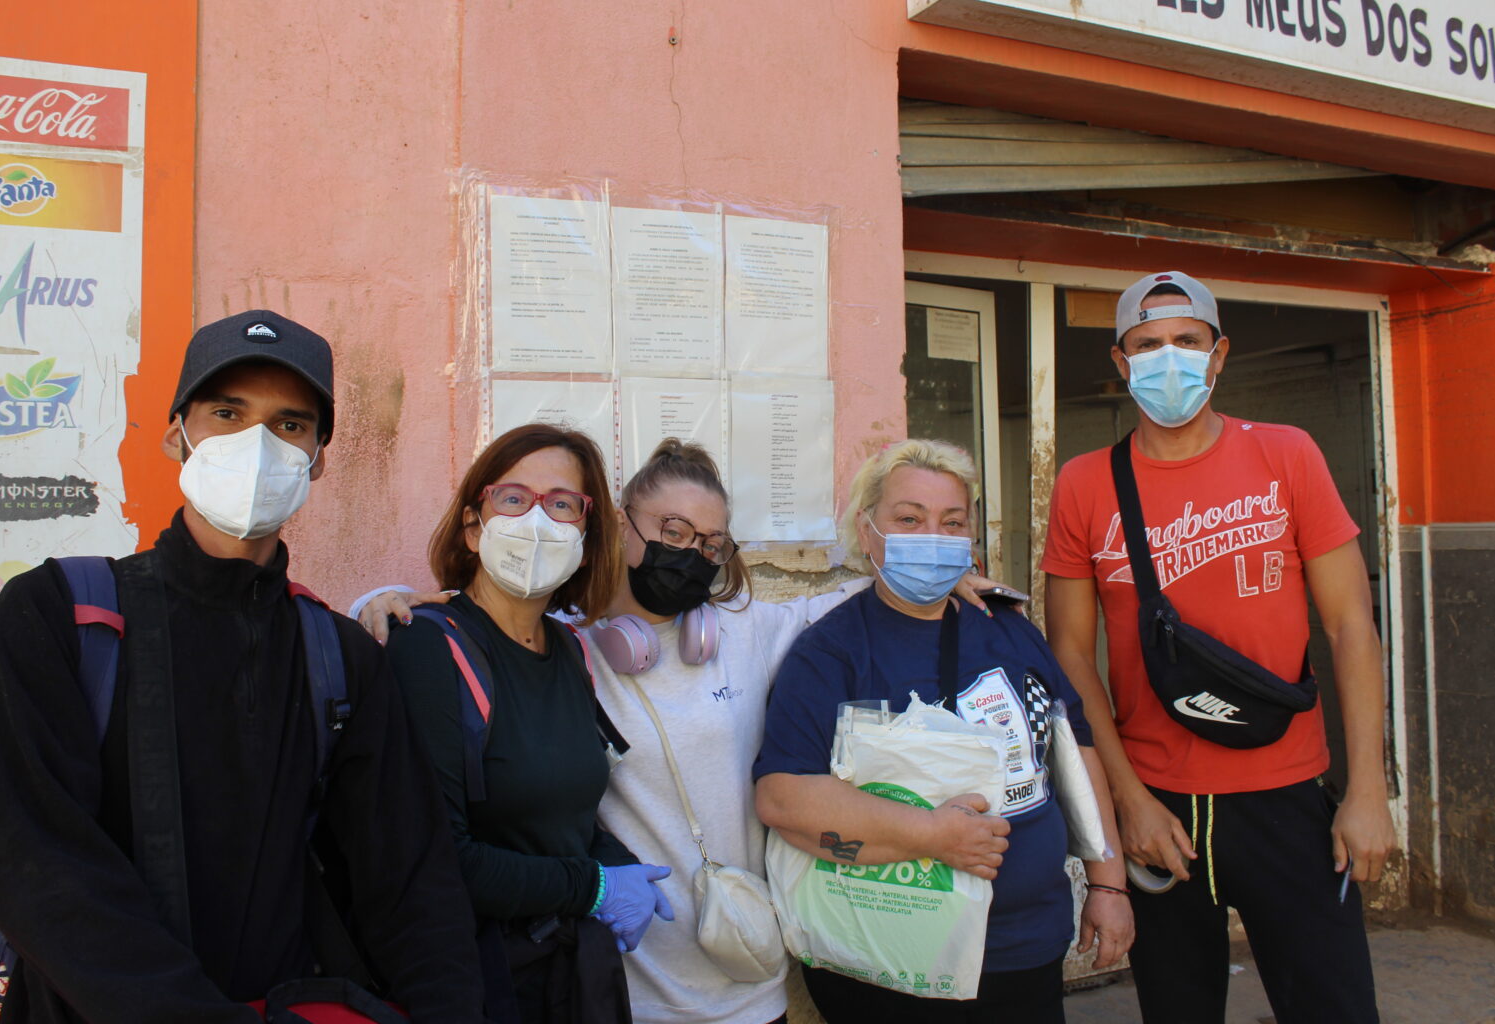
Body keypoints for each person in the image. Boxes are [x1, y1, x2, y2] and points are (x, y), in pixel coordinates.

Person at [355, 439, 1014, 1024]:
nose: (690, 554)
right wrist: (382, 601)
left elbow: (865, 601)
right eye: (671, 530)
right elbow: (478, 621)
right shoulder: (573, 649)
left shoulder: (745, 633)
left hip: (749, 979)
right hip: (626, 982)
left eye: (710, 543)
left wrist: (948, 574)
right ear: (619, 525)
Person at [0, 309, 485, 1022]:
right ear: (176, 433)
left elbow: (409, 887)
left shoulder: (343, 659)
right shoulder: (57, 615)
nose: (259, 445)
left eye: (290, 424)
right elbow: (42, 871)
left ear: (318, 458)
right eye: (227, 412)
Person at [1041, 271, 1395, 1024]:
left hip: (1285, 794)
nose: (1168, 358)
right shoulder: (1084, 484)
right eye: (1147, 345)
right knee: (1177, 1010)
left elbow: (1350, 627)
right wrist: (1125, 803)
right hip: (1159, 806)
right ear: (1120, 361)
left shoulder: (1287, 455)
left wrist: (1368, 792)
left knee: (1336, 1007)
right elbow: (1069, 654)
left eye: (1187, 341)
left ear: (1219, 352)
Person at [754, 439, 1132, 1024]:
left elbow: (1073, 752)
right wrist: (931, 836)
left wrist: (1109, 886)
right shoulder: (830, 653)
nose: (932, 536)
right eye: (909, 518)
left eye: (952, 522)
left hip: (1023, 950)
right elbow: (783, 796)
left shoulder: (1011, 631)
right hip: (889, 956)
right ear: (867, 529)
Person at [383, 423, 672, 1024]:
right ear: (473, 525)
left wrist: (616, 865)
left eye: (562, 504)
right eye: (513, 499)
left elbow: (564, 818)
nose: (537, 520)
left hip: (567, 978)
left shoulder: (570, 650)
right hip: (482, 983)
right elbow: (439, 858)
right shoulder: (430, 650)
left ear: (587, 541)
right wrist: (593, 887)